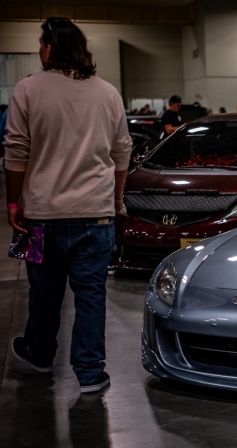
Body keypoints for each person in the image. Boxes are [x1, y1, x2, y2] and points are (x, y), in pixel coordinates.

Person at [3, 17, 132, 393]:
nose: (39, 50)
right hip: (96, 214)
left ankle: (40, 352)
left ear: (50, 47)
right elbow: (122, 151)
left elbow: (16, 151)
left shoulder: (28, 89)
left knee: (45, 292)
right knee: (91, 293)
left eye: (41, 44)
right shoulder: (107, 92)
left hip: (43, 216)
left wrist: (13, 203)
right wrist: (116, 198)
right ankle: (90, 371)